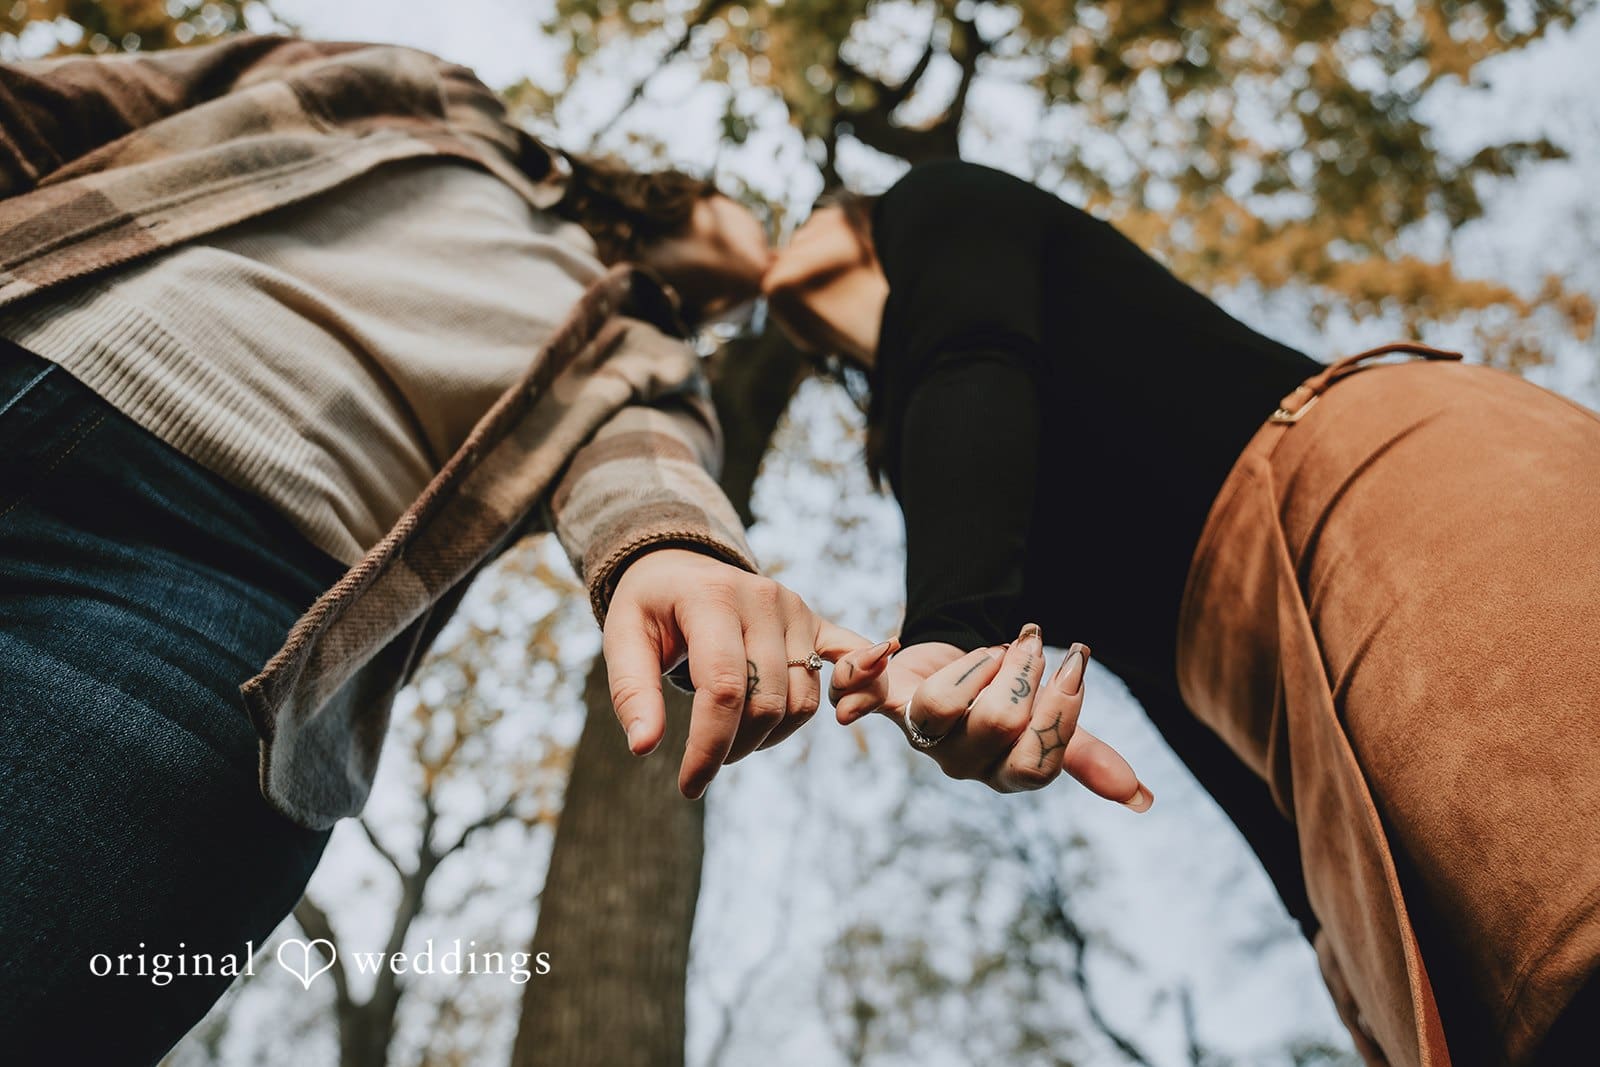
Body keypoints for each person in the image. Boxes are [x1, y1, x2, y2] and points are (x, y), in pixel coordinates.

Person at [0, 35, 864, 1062]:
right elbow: (69, 107)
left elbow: (647, 469)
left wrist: (672, 552)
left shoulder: (649, 352)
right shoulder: (429, 95)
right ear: (681, 187)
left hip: (215, 596)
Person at [764, 158, 1600, 1067]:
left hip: (1383, 484)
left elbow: (971, 348)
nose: (787, 237)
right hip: (1250, 689)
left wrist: (948, 629)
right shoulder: (935, 454)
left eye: (805, 214)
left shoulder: (931, 204)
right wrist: (1322, 916)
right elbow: (1160, 680)